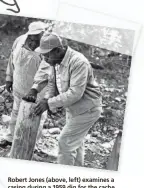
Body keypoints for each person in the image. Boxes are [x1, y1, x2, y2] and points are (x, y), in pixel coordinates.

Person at [24, 32, 102, 166]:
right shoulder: (55, 62)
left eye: (47, 55)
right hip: (73, 109)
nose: (45, 59)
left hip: (87, 109)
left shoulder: (78, 62)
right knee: (75, 145)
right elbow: (52, 84)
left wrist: (49, 103)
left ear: (59, 50)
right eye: (43, 55)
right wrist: (46, 99)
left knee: (65, 142)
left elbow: (75, 93)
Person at [0, 21, 48, 148]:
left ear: (43, 34)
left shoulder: (48, 48)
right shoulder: (19, 41)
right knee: (15, 113)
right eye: (31, 38)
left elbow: (49, 74)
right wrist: (9, 78)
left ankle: (30, 144)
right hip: (18, 87)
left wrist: (38, 92)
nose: (33, 42)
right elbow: (11, 60)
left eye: (37, 38)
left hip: (37, 93)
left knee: (36, 117)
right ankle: (10, 138)